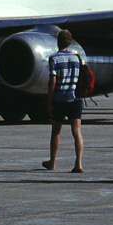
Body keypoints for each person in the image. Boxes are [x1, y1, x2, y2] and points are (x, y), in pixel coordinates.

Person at [43, 29, 84, 173]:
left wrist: (50, 99)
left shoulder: (54, 58)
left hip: (59, 99)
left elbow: (52, 79)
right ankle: (78, 163)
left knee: (56, 132)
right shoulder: (76, 58)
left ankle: (52, 162)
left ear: (58, 41)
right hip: (74, 98)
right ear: (70, 42)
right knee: (76, 131)